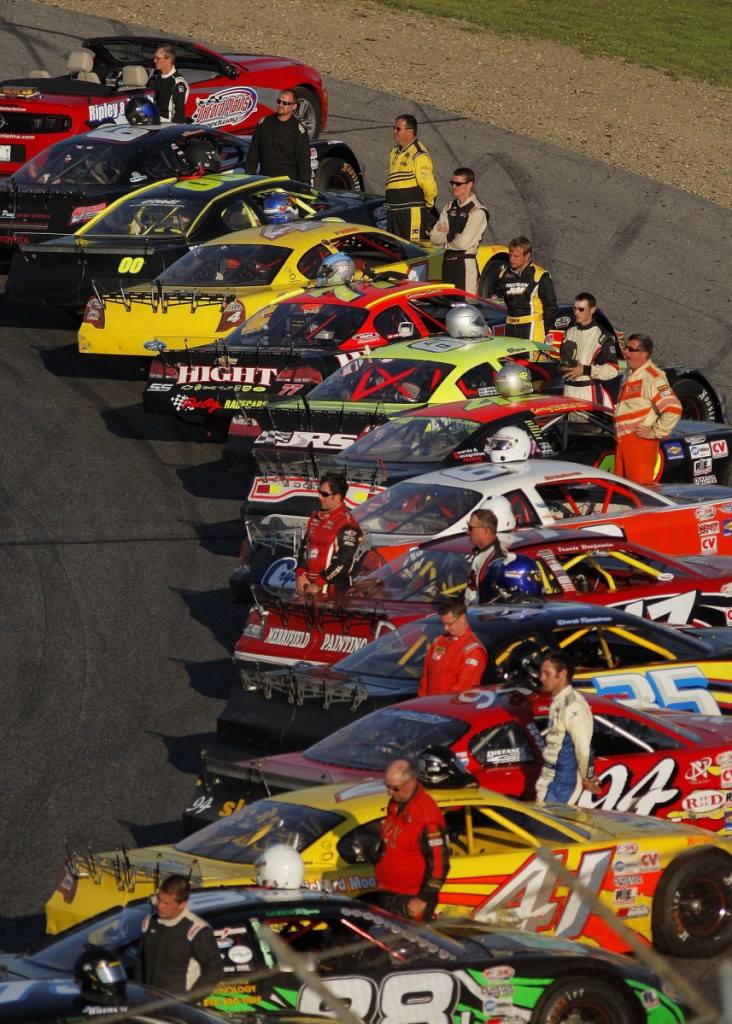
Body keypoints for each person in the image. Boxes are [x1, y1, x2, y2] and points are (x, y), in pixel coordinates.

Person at [374, 758, 450, 921]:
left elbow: (439, 863)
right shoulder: (397, 803)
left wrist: (423, 899)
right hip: (390, 892)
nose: (390, 793)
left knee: (409, 944)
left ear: (410, 782)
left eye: (395, 788)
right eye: (387, 787)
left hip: (411, 899)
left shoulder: (427, 818)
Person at [134, 874, 223, 997]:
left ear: (181, 905)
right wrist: (139, 994)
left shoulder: (197, 930)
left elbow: (215, 970)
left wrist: (189, 1000)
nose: (160, 906)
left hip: (180, 1009)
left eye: (166, 903)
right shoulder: (150, 922)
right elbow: (140, 962)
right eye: (159, 899)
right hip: (150, 1003)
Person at [614, 333, 682, 485]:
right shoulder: (629, 373)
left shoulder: (653, 377)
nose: (625, 352)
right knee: (620, 497)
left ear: (643, 354)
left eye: (630, 349)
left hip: (640, 445)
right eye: (625, 348)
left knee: (639, 497)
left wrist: (653, 432)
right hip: (622, 444)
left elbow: (674, 408)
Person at [534, 652, 600, 805]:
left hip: (562, 780)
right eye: (541, 673)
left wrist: (587, 777)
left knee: (547, 827)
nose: (541, 678)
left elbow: (583, 748)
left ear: (562, 674)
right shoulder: (559, 701)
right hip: (552, 775)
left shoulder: (573, 706)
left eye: (547, 673)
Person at [479, 235, 559, 341]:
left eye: (516, 256)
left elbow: (551, 307)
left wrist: (543, 330)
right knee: (510, 358)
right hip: (510, 327)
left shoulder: (539, 275)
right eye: (510, 255)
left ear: (527, 256)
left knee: (530, 358)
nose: (512, 259)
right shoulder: (503, 274)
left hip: (532, 327)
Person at [295, 472, 362, 595]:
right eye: (319, 492)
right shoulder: (315, 517)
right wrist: (300, 574)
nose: (320, 497)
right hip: (308, 587)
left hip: (333, 592)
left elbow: (343, 562)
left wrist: (317, 584)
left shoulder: (347, 524)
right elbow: (304, 548)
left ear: (337, 496)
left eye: (324, 494)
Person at [429, 167, 488, 294]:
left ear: (469, 185)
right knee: (448, 307)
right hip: (446, 263)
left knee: (466, 307)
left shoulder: (478, 211)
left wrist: (445, 240)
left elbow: (463, 243)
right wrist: (454, 236)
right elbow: (433, 237)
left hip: (465, 264)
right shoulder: (449, 207)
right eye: (452, 183)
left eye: (458, 184)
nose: (454, 186)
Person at [417, 596, 487, 696]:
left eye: (449, 624)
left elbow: (462, 689)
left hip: (451, 708)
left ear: (462, 618)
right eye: (443, 624)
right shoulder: (439, 641)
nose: (445, 628)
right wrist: (421, 702)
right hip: (429, 706)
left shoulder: (474, 651)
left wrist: (438, 704)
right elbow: (425, 678)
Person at [560, 292, 620, 406]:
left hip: (589, 394)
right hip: (567, 392)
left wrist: (585, 370)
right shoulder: (569, 332)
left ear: (592, 310)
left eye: (581, 309)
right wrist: (562, 367)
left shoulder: (603, 336)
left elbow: (613, 370)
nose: (576, 313)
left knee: (589, 424)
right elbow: (562, 360)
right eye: (574, 308)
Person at [385, 114, 437, 242]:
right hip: (394, 212)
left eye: (398, 129)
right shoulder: (394, 151)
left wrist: (428, 206)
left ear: (410, 131)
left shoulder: (418, 154)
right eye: (394, 128)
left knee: (413, 249)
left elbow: (429, 188)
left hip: (410, 213)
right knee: (396, 249)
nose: (394, 131)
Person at [245, 88, 311, 183]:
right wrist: (250, 179)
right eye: (279, 101)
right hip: (264, 179)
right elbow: (252, 155)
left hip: (287, 183)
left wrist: (304, 189)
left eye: (285, 103)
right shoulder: (264, 123)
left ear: (294, 106)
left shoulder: (298, 131)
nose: (280, 105)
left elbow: (304, 164)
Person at [464, 508, 508, 605]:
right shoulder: (481, 552)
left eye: (470, 528)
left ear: (484, 530)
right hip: (473, 615)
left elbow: (499, 599)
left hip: (482, 617)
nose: (467, 532)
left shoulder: (497, 558)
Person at [148, 45, 189, 124]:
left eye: (158, 58)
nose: (154, 60)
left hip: (168, 124)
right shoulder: (158, 78)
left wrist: (175, 130)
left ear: (168, 60)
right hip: (156, 121)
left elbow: (179, 111)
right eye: (155, 58)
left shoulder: (178, 82)